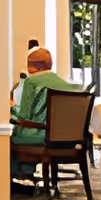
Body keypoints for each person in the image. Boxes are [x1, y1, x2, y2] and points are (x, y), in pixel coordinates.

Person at [11, 47, 78, 185]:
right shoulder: (66, 85)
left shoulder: (32, 82)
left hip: (43, 137)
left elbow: (25, 116)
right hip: (69, 139)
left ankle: (20, 177)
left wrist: (12, 107)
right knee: (25, 132)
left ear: (39, 65)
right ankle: (26, 176)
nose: (27, 68)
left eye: (29, 63)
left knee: (10, 137)